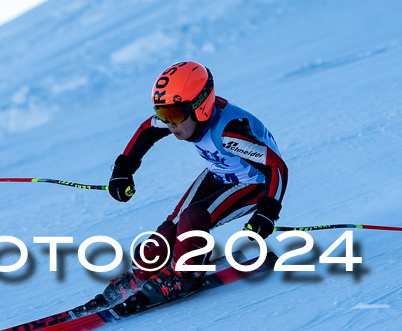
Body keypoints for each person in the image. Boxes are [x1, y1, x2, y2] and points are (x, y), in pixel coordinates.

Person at [94, 61, 288, 314]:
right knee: (167, 230)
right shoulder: (185, 115)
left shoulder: (229, 133)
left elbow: (276, 167)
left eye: (173, 115)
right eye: (163, 114)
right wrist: (123, 171)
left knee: (192, 219)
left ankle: (186, 276)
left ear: (201, 107)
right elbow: (147, 129)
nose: (169, 123)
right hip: (219, 173)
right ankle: (142, 274)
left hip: (255, 183)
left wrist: (266, 213)